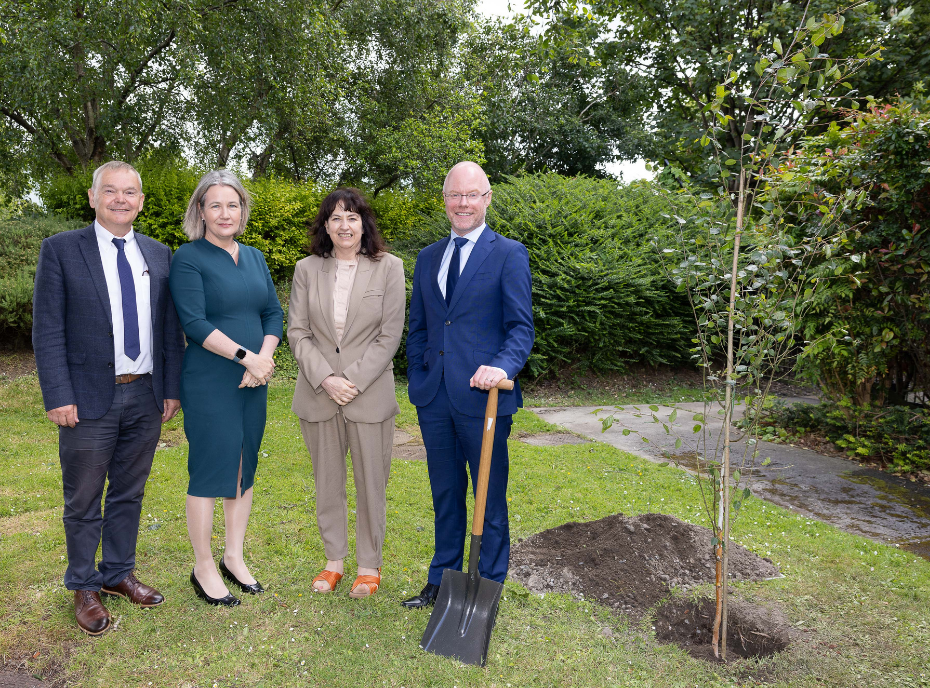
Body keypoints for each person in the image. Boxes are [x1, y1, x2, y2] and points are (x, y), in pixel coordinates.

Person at [32, 160, 185, 635]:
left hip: (145, 394)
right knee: (82, 497)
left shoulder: (160, 254)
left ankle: (118, 574)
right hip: (86, 398)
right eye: (111, 191)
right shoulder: (60, 250)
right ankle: (83, 585)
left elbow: (169, 328)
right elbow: (48, 328)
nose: (121, 199)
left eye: (131, 192)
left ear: (141, 200)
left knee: (129, 491)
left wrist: (171, 389)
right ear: (94, 198)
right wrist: (57, 394)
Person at [402, 161, 534, 608]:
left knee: (488, 496)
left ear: (487, 199)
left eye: (472, 195)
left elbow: (520, 329)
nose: (463, 203)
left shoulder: (509, 253)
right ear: (445, 200)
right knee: (445, 492)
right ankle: (442, 579)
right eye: (455, 195)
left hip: (485, 399)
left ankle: (489, 587)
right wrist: (420, 370)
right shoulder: (427, 257)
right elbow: (419, 326)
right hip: (434, 397)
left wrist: (501, 366)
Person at [168, 170, 283, 606]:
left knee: (243, 464)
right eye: (214, 205)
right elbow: (194, 323)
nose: (224, 213)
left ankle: (234, 556)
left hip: (255, 378)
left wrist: (265, 358)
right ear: (201, 211)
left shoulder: (253, 256)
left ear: (242, 210)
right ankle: (203, 566)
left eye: (232, 204)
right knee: (211, 467)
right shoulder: (189, 257)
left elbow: (272, 313)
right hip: (212, 379)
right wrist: (245, 357)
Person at [288, 188, 405, 598]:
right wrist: (326, 379)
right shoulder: (306, 269)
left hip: (368, 393)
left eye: (352, 217)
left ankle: (369, 565)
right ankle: (333, 562)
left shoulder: (389, 268)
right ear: (325, 226)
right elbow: (298, 332)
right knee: (327, 482)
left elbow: (390, 333)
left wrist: (351, 379)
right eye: (335, 218)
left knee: (372, 483)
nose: (344, 225)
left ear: (364, 223)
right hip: (319, 393)